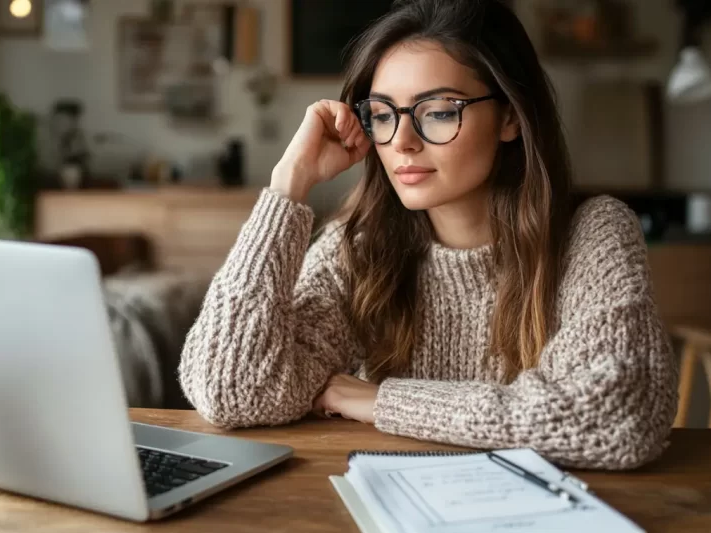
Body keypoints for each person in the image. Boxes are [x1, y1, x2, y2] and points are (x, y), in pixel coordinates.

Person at [178, 0, 677, 470]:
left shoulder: (591, 235)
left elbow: (620, 417)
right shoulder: (356, 252)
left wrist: (383, 401)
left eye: (438, 111)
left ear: (509, 115)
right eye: (382, 114)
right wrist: (288, 188)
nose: (402, 141)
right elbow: (231, 389)